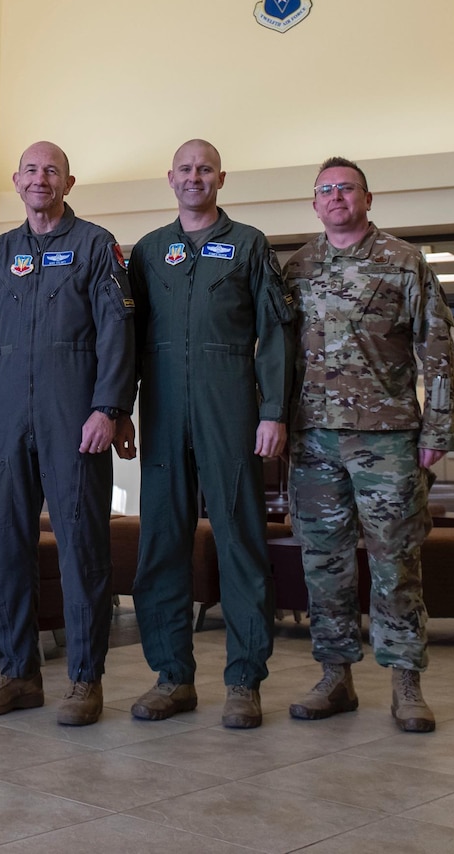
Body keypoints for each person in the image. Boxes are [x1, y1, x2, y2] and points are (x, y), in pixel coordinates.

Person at [0, 141, 136, 726]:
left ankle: (85, 680)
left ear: (69, 182)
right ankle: (17, 674)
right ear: (16, 180)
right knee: (6, 548)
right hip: (6, 417)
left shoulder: (94, 248)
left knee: (82, 548)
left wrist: (108, 407)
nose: (41, 179)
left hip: (73, 418)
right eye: (31, 170)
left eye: (52, 171)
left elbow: (116, 333)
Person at [281, 157, 454, 732]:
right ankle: (335, 678)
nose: (336, 197)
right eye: (325, 190)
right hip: (313, 441)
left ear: (367, 197)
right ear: (314, 203)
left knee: (396, 562)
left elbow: (437, 349)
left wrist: (438, 429)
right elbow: (277, 355)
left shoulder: (404, 262)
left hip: (388, 441)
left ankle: (406, 683)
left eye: (346, 188)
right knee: (323, 563)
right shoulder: (298, 268)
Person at [125, 139, 293, 730]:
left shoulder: (248, 245)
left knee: (240, 542)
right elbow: (123, 338)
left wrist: (272, 412)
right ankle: (171, 677)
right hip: (165, 410)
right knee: (161, 544)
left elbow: (273, 334)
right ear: (169, 178)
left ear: (222, 177)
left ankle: (245, 680)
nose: (194, 178)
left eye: (205, 170)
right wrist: (119, 409)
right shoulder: (148, 252)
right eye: (185, 170)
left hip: (231, 410)